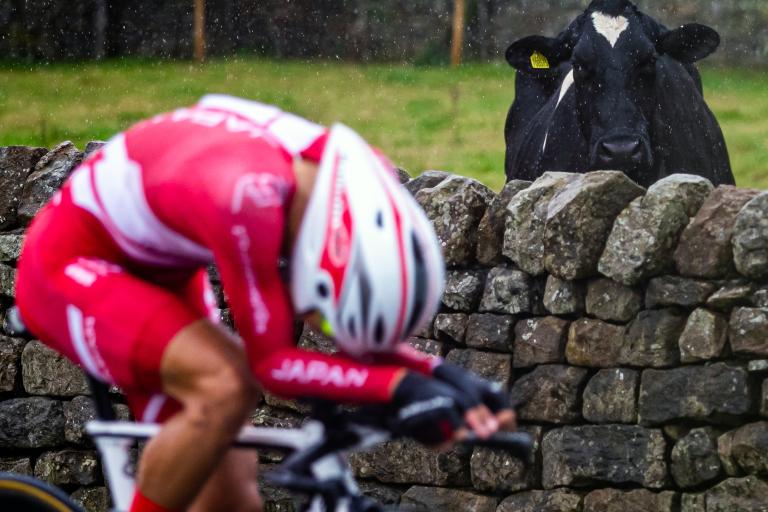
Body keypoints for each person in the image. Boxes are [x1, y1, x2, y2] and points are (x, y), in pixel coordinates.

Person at [15, 95, 516, 512]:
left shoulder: (342, 177)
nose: (317, 318)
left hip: (163, 268)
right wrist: (401, 386)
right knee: (227, 384)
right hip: (69, 264)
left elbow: (343, 331)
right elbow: (272, 363)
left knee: (233, 498)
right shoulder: (247, 198)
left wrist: (440, 376)